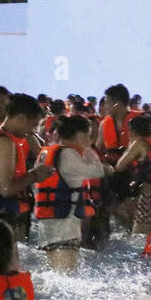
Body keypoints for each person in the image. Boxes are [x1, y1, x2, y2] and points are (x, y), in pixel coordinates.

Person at [0, 93, 52, 243]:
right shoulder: (5, 143)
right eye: (33, 124)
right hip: (0, 221)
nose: (33, 131)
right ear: (21, 119)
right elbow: (6, 189)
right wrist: (35, 175)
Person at [33, 114, 106, 271]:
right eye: (87, 135)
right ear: (77, 135)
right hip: (64, 226)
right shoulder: (69, 155)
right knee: (66, 274)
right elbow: (98, 171)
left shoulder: (47, 152)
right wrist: (88, 150)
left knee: (53, 271)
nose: (91, 139)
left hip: (47, 224)